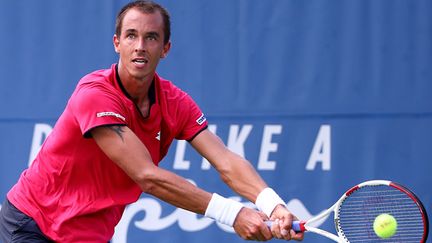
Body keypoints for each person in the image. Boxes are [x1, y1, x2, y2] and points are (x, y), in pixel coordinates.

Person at [0, 1, 304, 242]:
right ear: (117, 43)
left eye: (151, 37)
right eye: (131, 35)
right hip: (33, 223)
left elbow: (225, 161)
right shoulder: (94, 95)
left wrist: (273, 205)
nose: (140, 46)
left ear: (165, 49)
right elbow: (147, 175)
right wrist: (233, 213)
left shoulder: (176, 102)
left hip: (88, 235)